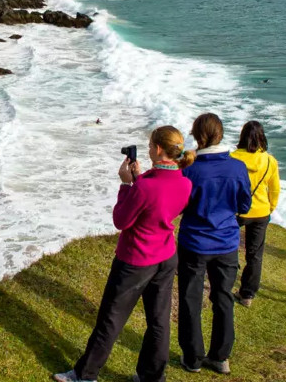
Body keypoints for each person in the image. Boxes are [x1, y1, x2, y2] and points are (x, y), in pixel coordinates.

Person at [53, 126, 193, 382]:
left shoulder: (144, 188)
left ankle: (85, 375)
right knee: (159, 322)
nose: (149, 149)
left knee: (111, 319)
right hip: (165, 256)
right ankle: (152, 377)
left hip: (136, 260)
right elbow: (158, 204)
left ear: (159, 149)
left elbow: (121, 220)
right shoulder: (185, 182)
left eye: (151, 145)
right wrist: (139, 179)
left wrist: (126, 185)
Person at [177, 113, 252, 375]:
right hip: (227, 242)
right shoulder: (237, 167)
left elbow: (180, 206)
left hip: (194, 242)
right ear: (220, 134)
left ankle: (193, 358)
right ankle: (221, 357)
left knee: (190, 299)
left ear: (198, 135)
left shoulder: (191, 169)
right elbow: (245, 206)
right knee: (223, 299)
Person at [231, 121, 281, 307]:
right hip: (260, 211)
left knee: (230, 246)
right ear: (262, 138)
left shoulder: (233, 157)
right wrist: (270, 208)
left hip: (236, 209)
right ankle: (247, 295)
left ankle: (227, 280)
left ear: (242, 136)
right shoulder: (270, 161)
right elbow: (275, 190)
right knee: (255, 255)